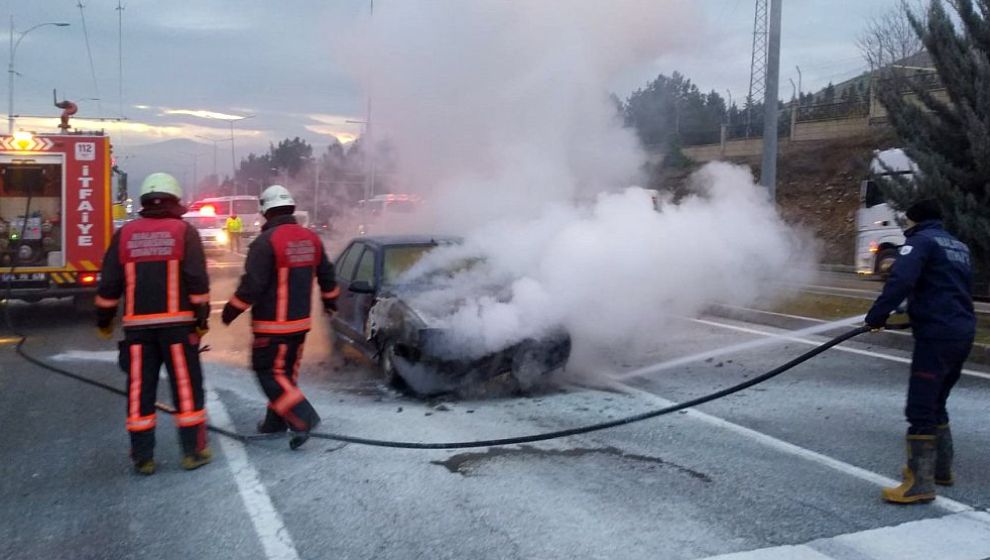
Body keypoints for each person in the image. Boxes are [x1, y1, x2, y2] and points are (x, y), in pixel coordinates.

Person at [95, 172, 213, 475]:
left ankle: (143, 458)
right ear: (175, 200)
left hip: (137, 333)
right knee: (186, 390)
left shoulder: (125, 235)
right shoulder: (184, 232)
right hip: (178, 329)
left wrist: (105, 322)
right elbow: (197, 283)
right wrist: (201, 322)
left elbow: (109, 286)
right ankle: (193, 452)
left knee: (139, 392)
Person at [865, 198, 976, 504]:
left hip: (937, 335)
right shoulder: (958, 246)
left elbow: (900, 279)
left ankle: (920, 483)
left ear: (913, 221)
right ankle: (941, 470)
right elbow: (947, 288)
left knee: (920, 406)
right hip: (962, 331)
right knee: (938, 400)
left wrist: (877, 316)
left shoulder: (919, 243)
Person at [221, 185, 339, 450]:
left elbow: (252, 286)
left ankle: (302, 418)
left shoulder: (265, 243)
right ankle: (275, 422)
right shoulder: (311, 238)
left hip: (271, 326)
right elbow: (328, 276)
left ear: (265, 211)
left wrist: (231, 311)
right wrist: (331, 303)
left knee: (268, 373)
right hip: (300, 325)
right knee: (285, 375)